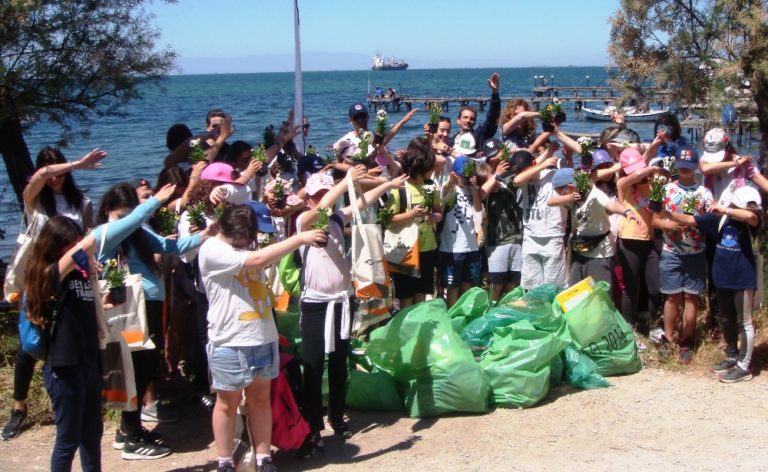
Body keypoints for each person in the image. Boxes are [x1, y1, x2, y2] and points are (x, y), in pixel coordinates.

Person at [24, 182, 176, 472]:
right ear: (59, 248)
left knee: (91, 435)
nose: (80, 249)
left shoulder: (81, 275)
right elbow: (96, 240)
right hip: (64, 365)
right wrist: (153, 202)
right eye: (73, 245)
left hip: (88, 361)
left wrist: (103, 304)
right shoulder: (50, 274)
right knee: (68, 439)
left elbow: (82, 305)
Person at [198, 205, 328, 472]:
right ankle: (224, 461)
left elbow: (263, 257)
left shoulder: (246, 250)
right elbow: (258, 261)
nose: (250, 242)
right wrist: (300, 238)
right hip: (230, 340)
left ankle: (263, 456)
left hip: (262, 336)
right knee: (227, 403)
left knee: (260, 399)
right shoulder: (212, 249)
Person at [295, 168, 407, 459]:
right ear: (308, 199)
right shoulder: (303, 223)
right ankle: (313, 426)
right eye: (316, 195)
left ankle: (336, 416)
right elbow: (320, 208)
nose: (323, 200)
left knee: (339, 363)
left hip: (341, 302)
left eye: (325, 193)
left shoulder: (334, 220)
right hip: (316, 306)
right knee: (314, 364)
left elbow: (361, 202)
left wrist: (388, 185)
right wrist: (344, 183)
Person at [96, 183, 208, 459]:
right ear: (109, 211)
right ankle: (131, 435)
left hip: (149, 304)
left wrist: (206, 235)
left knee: (145, 367)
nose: (128, 221)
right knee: (134, 367)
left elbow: (171, 245)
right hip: (129, 307)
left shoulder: (137, 231)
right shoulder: (103, 234)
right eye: (122, 216)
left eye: (129, 215)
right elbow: (134, 221)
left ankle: (129, 429)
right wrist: (155, 202)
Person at [2, 147, 105, 442]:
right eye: (49, 169)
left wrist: (92, 264)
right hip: (40, 279)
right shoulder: (35, 201)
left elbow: (86, 240)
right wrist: (78, 164)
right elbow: (42, 175)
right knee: (29, 342)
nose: (54, 175)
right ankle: (18, 408)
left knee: (71, 338)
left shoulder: (81, 203)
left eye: (58, 168)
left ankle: (78, 398)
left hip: (73, 282)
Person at [665, 186, 763, 382]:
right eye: (750, 206)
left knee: (744, 322)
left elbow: (751, 217)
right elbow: (689, 220)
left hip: (743, 279)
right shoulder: (718, 220)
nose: (754, 211)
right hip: (722, 278)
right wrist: (664, 212)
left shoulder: (751, 222)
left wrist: (725, 209)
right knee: (726, 319)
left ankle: (744, 367)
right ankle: (732, 356)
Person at [652, 145, 714, 364]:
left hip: (696, 252)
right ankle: (668, 339)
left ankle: (687, 340)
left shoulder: (704, 193)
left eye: (689, 168)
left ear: (696, 167)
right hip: (671, 251)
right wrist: (667, 225)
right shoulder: (666, 189)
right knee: (671, 296)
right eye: (682, 167)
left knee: (691, 297)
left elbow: (711, 220)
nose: (685, 171)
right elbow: (655, 220)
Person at [547, 163, 637, 285]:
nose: (559, 195)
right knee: (576, 290)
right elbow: (550, 202)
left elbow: (611, 205)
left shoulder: (595, 194)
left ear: (570, 187)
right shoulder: (572, 196)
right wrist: (569, 198)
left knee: (599, 293)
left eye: (560, 192)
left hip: (600, 252)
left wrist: (626, 212)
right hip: (580, 249)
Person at [386, 137, 443, 309]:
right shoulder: (401, 187)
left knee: (422, 293)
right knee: (405, 296)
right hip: (404, 249)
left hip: (426, 247)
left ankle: (417, 330)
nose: (433, 170)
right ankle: (406, 332)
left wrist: (434, 217)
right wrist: (411, 214)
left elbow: (438, 211)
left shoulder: (430, 185)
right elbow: (387, 220)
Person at [513, 144, 567, 290]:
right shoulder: (523, 180)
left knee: (554, 285)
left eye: (526, 171)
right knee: (531, 285)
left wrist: (549, 156)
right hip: (530, 237)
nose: (526, 176)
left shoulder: (552, 175)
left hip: (552, 236)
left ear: (533, 164)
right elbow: (517, 180)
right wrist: (540, 165)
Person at [439, 156, 487, 306]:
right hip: (452, 247)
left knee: (468, 284)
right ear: (454, 173)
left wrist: (473, 188)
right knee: (453, 287)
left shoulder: (471, 189)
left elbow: (478, 210)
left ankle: (464, 314)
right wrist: (450, 182)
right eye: (462, 175)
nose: (464, 179)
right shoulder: (450, 188)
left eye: (468, 176)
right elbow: (443, 195)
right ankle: (452, 316)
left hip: (471, 246)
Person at [451, 73, 501, 157]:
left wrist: (495, 92)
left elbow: (492, 118)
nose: (468, 121)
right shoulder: (451, 141)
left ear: (474, 122)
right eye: (465, 117)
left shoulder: (480, 135)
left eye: (472, 119)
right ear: (458, 120)